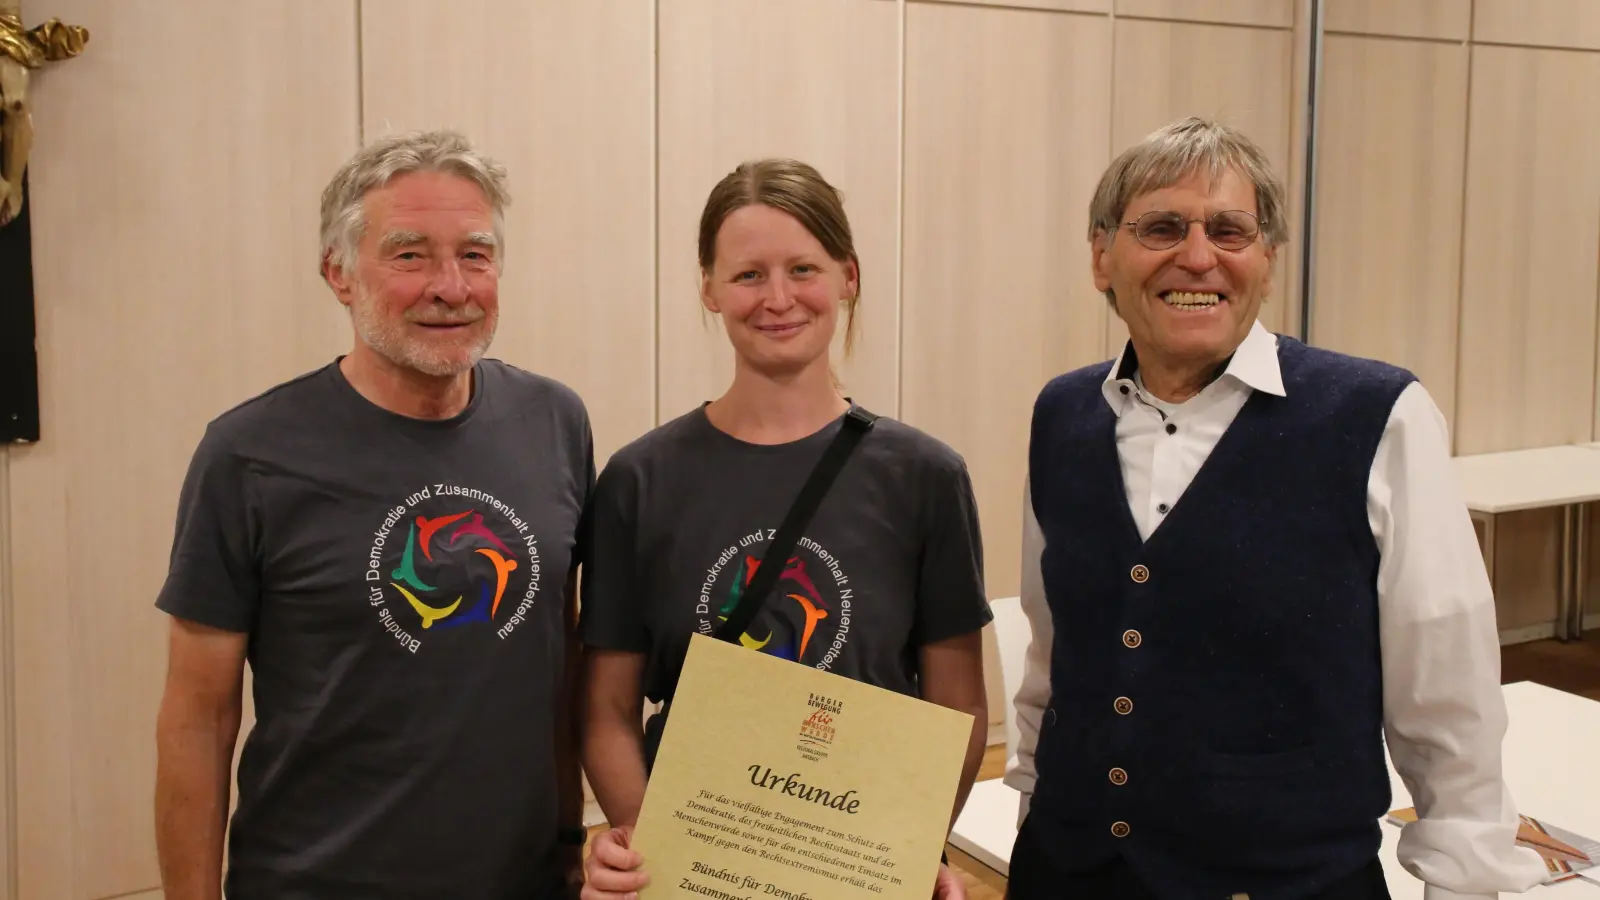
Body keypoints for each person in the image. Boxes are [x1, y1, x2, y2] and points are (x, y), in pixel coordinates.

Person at [1004, 116, 1551, 900]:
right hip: (1068, 873)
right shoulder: (1061, 414)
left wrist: (1464, 880)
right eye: (1161, 228)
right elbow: (1054, 657)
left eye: (1230, 230)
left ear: (1267, 260)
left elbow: (1448, 696)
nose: (1199, 256)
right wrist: (1032, 816)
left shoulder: (1378, 416)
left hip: (1288, 883)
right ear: (1101, 258)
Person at [152, 129, 592, 899]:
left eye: (475, 255)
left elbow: (562, 662)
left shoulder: (553, 421)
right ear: (340, 273)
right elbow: (198, 717)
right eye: (409, 255)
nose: (450, 286)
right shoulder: (249, 454)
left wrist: (569, 839)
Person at [576, 158, 990, 900]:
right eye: (748, 275)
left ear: (848, 276)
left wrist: (906, 852)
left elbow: (957, 705)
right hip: (694, 871)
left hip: (855, 870)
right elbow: (607, 709)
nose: (777, 299)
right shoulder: (639, 481)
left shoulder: (925, 477)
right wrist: (653, 853)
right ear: (709, 288)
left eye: (803, 268)